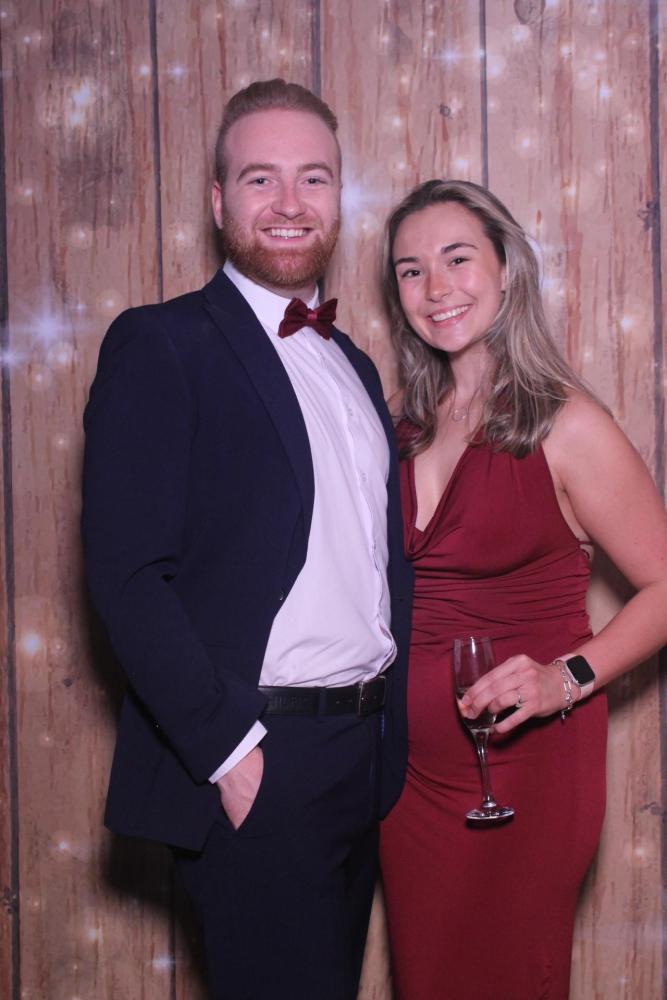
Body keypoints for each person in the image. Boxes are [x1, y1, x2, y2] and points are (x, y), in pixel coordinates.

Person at [81, 79, 412, 1000]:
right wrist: (230, 754)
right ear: (219, 201)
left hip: (363, 754)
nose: (289, 202)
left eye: (313, 178)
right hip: (259, 754)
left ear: (338, 199)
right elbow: (127, 576)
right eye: (260, 178)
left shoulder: (352, 364)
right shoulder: (162, 344)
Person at [378, 178, 667, 999]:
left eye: (457, 259)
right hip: (407, 781)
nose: (435, 288)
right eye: (409, 270)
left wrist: (561, 677)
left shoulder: (564, 423)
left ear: (506, 270)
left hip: (520, 773)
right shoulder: (400, 422)